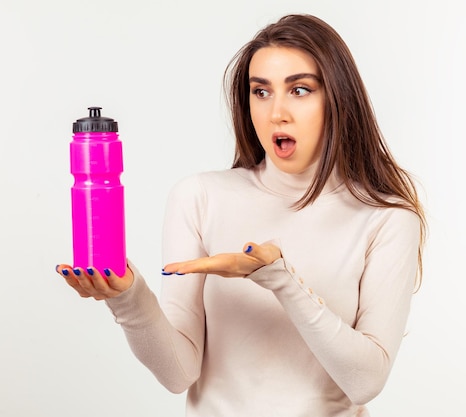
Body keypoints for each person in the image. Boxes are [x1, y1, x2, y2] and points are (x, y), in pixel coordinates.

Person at [56, 13, 426, 417]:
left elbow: (365, 382)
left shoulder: (385, 219)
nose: (276, 113)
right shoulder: (199, 197)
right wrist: (128, 298)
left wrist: (281, 280)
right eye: (261, 92)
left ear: (337, 98)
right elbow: (179, 373)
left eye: (300, 90)